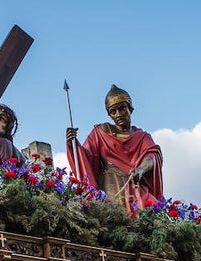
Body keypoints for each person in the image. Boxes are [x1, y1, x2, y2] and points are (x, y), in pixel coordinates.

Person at [66, 84, 163, 215]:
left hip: (135, 183)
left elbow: (152, 156)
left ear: (130, 108)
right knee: (114, 216)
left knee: (151, 213)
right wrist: (73, 144)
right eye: (113, 111)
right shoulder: (100, 132)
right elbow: (85, 157)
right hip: (111, 183)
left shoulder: (142, 137)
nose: (118, 114)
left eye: (122, 109)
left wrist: (140, 170)